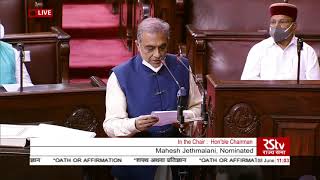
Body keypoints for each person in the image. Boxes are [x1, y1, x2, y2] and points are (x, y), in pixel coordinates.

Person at [103, 17, 202, 180]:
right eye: (150, 48)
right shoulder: (120, 75)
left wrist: (185, 117)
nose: (157, 54)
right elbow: (110, 125)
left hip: (176, 156)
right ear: (138, 45)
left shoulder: (181, 66)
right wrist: (134, 124)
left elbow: (197, 107)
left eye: (162, 47)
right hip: (138, 160)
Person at [241, 2, 320, 80]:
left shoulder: (307, 51)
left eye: (282, 22)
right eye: (273, 22)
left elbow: (313, 86)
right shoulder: (258, 49)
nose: (276, 26)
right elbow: (248, 82)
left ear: (294, 26)